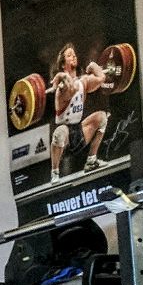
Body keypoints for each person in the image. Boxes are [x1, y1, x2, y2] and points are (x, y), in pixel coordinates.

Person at [48, 42, 111, 182]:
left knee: (102, 117)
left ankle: (91, 161)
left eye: (74, 54)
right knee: (59, 133)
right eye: (69, 55)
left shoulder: (83, 81)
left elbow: (101, 78)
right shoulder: (62, 88)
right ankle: (55, 172)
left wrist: (94, 66)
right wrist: (61, 76)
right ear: (63, 64)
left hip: (80, 131)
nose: (74, 56)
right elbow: (72, 89)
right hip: (65, 138)